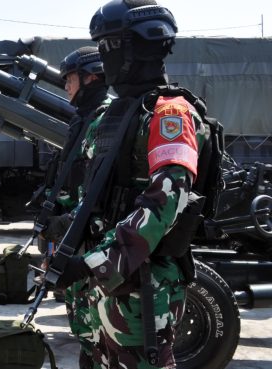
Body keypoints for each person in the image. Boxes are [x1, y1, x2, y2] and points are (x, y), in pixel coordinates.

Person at [54, 1, 209, 368]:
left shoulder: (170, 113)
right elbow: (93, 189)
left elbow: (165, 201)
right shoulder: (112, 115)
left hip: (142, 285)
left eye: (109, 46)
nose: (103, 58)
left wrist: (95, 262)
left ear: (138, 48)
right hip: (105, 283)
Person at [39, 46, 110, 369]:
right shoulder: (84, 119)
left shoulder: (105, 120)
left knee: (100, 335)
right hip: (77, 240)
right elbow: (79, 180)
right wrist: (56, 210)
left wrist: (69, 217)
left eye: (70, 79)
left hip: (96, 248)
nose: (65, 86)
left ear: (91, 77)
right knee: (85, 332)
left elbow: (103, 192)